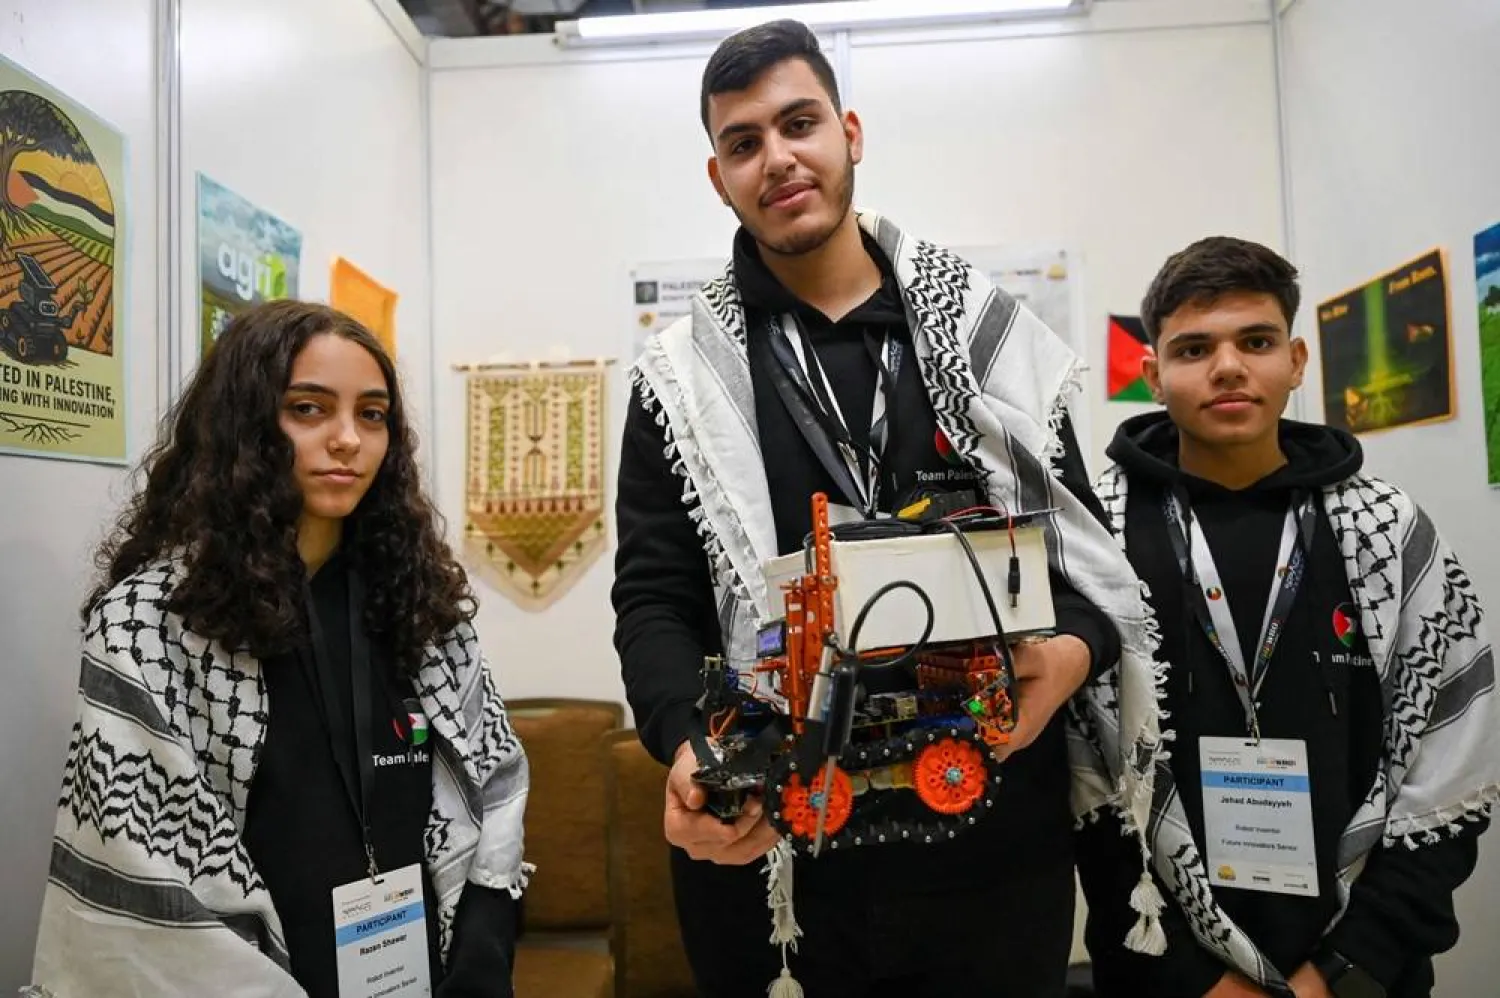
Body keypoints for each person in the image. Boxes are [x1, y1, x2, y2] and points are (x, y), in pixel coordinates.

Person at [611, 19, 1167, 998]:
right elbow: (655, 598)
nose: (777, 158)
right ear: (719, 177)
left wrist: (1073, 654)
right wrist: (688, 738)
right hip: (777, 864)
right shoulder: (678, 383)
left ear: (851, 133)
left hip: (993, 858)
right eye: (743, 142)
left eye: (800, 123)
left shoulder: (992, 341)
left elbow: (1085, 561)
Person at [28, 301, 532, 998]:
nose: (348, 439)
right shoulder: (151, 623)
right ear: (244, 423)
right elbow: (141, 871)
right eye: (308, 409)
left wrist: (480, 957)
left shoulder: (420, 604)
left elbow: (492, 786)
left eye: (372, 414)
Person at [1076, 237, 1498, 998]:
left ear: (1297, 360)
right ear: (1153, 375)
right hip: (1161, 969)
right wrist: (1192, 980)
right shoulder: (1096, 541)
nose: (1228, 367)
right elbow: (1083, 786)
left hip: (1363, 969)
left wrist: (1344, 972)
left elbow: (1452, 766)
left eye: (1257, 341)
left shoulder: (1389, 532)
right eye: (1194, 348)